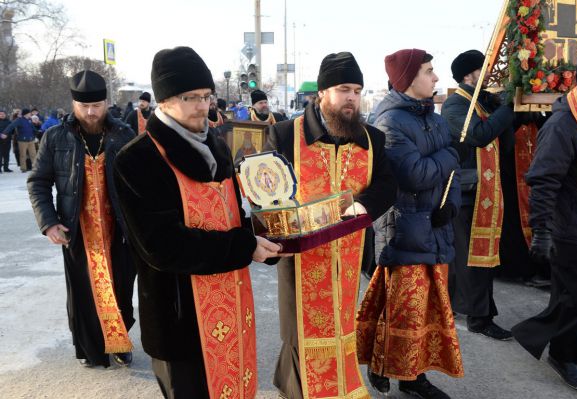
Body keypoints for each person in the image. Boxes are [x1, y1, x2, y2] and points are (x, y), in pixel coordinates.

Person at [113, 46, 283, 398]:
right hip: (180, 318)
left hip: (231, 304)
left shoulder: (217, 145)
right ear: (164, 100)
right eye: (190, 97)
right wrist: (244, 246)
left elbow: (234, 217)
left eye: (207, 96)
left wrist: (272, 236)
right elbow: (162, 247)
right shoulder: (138, 159)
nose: (203, 106)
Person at [265, 51, 396, 399]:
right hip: (300, 259)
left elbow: (386, 185)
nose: (352, 97)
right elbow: (268, 193)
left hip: (350, 257)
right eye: (343, 89)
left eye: (357, 89)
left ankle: (338, 387)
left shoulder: (371, 139)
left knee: (342, 327)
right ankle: (295, 391)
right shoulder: (283, 135)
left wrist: (358, 205)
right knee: (298, 333)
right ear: (322, 92)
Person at [357, 48, 464, 399]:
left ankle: (412, 374)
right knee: (404, 308)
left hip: (434, 225)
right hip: (404, 227)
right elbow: (415, 174)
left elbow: (452, 177)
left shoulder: (431, 118)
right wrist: (450, 155)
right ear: (408, 79)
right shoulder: (389, 121)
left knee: (427, 308)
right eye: (429, 71)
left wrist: (452, 204)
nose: (436, 78)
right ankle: (387, 366)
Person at [27, 70, 137, 368]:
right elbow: (38, 182)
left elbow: (141, 181)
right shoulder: (56, 136)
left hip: (120, 229)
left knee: (121, 290)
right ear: (74, 104)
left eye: (97, 105)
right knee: (85, 295)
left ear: (106, 102)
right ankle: (92, 349)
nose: (91, 112)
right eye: (84, 106)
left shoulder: (124, 134)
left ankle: (119, 340)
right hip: (77, 229)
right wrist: (48, 222)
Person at [512, 48, 577, 394]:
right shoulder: (564, 124)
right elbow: (543, 179)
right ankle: (563, 355)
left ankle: (574, 352)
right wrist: (543, 231)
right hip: (570, 229)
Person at [441, 50, 514, 340]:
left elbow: (502, 141)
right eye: (483, 70)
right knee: (470, 259)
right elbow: (481, 135)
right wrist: (509, 108)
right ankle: (478, 317)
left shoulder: (482, 102)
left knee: (480, 259)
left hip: (486, 189)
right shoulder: (455, 106)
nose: (489, 75)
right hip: (469, 191)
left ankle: (475, 310)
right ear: (469, 75)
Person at [3, 108, 36, 172]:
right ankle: (23, 168)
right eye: (29, 113)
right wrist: (5, 132)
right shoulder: (19, 120)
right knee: (23, 155)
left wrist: (38, 132)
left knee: (33, 155)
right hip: (22, 141)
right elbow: (11, 126)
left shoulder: (29, 120)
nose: (30, 114)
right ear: (26, 114)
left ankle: (36, 168)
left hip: (31, 140)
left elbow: (33, 128)